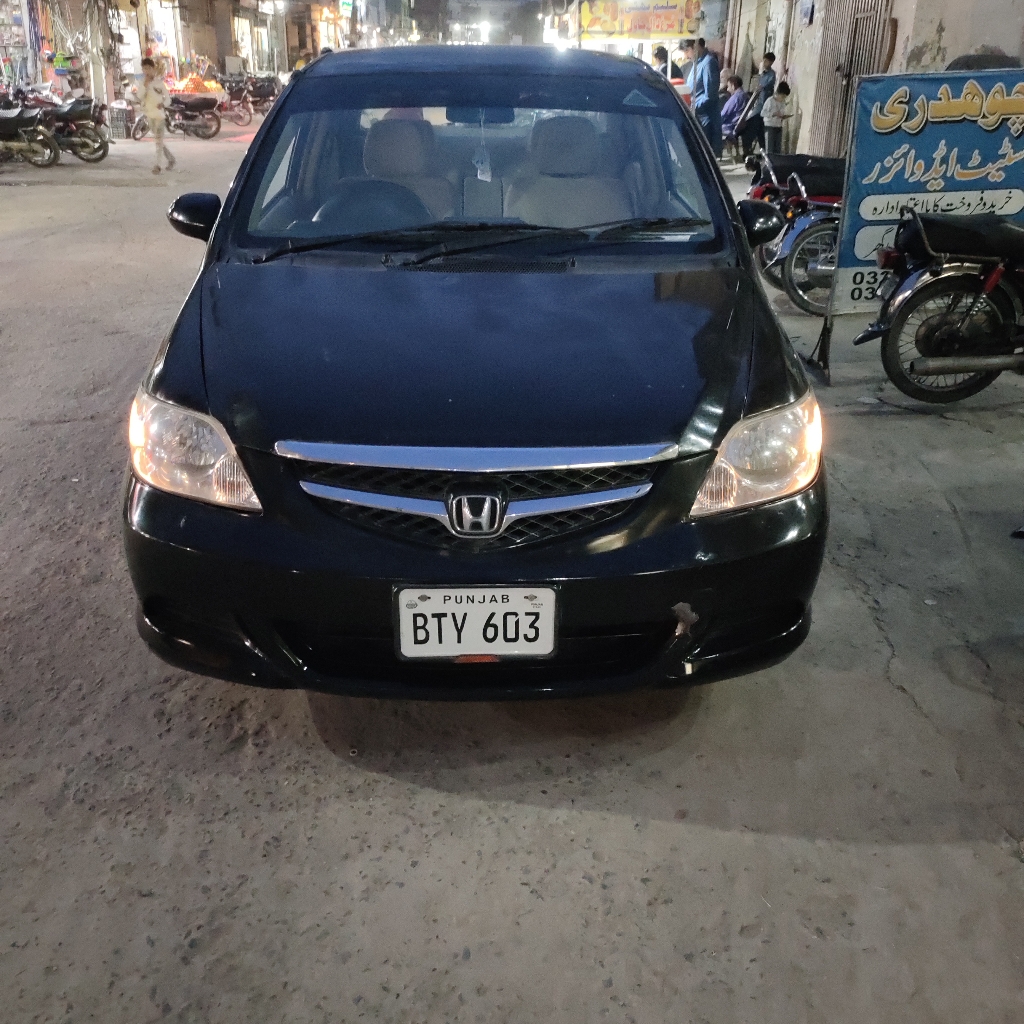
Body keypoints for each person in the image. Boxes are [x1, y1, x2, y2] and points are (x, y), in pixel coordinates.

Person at [685, 37, 722, 158]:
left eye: (687, 51)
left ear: (696, 47)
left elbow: (710, 95)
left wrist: (693, 106)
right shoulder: (697, 63)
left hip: (706, 119)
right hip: (697, 116)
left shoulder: (708, 63)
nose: (686, 56)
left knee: (706, 156)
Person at [137, 58, 174, 175]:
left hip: (159, 116)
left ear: (153, 69)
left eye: (149, 68)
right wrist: (145, 85)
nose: (147, 71)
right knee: (159, 141)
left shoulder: (159, 83)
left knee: (158, 141)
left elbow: (168, 99)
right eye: (145, 69)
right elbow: (140, 96)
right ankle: (171, 159)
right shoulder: (142, 83)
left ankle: (157, 165)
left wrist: (163, 104)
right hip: (149, 115)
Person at [739, 52, 777, 155]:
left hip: (764, 106)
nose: (764, 63)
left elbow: (765, 86)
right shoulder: (762, 74)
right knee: (758, 130)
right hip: (759, 104)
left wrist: (761, 87)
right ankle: (755, 151)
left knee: (754, 126)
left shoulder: (771, 74)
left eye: (767, 61)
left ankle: (755, 151)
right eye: (764, 61)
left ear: (771, 62)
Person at [761, 81, 792, 152]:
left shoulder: (783, 103)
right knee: (770, 148)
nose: (783, 98)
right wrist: (773, 114)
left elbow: (781, 112)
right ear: (778, 93)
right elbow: (762, 113)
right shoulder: (770, 101)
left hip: (778, 126)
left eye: (785, 97)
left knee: (778, 148)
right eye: (783, 96)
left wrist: (783, 116)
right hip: (770, 126)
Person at [720, 74, 749, 138]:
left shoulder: (735, 98)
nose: (727, 89)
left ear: (733, 86)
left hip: (729, 126)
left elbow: (724, 114)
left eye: (728, 86)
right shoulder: (745, 96)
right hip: (739, 125)